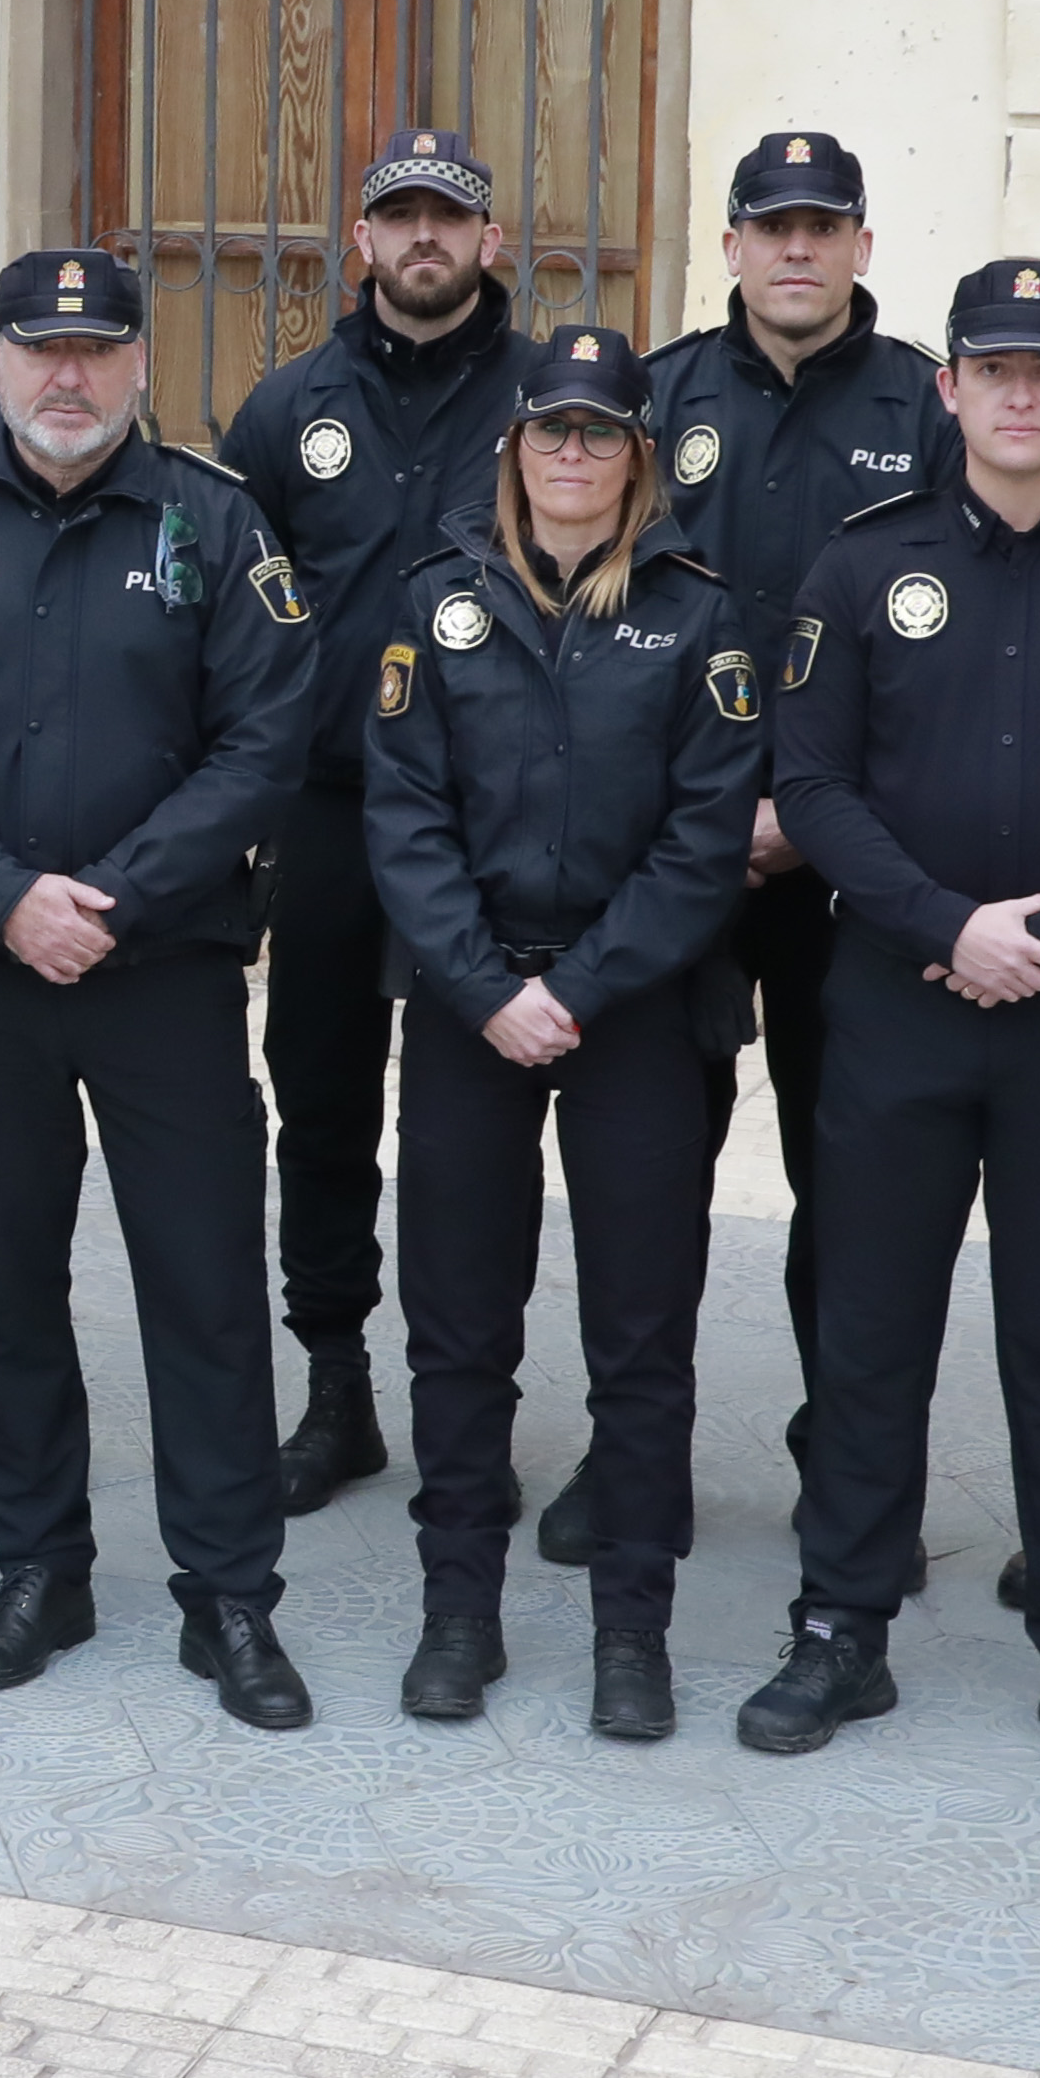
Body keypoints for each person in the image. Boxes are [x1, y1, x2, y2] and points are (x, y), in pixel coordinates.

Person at [738, 259, 1040, 1787]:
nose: (1020, 394)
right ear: (944, 388)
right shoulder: (857, 567)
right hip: (896, 998)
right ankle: (841, 1624)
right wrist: (950, 924)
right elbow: (810, 784)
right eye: (992, 367)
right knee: (870, 1324)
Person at [0, 249, 316, 1727]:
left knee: (208, 1285)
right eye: (39, 347)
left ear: (137, 361)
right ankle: (41, 1563)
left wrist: (108, 898)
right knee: (6, 1283)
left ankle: (229, 1595)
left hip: (158, 968)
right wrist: (1, 896)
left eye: (97, 346)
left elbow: (265, 738)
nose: (67, 373)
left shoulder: (216, 522)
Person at [360, 324, 759, 1742]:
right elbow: (402, 819)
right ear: (514, 447)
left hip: (635, 1010)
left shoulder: (696, 613)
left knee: (639, 1335)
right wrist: (486, 985)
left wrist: (578, 987)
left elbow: (705, 839)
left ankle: (630, 1624)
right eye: (551, 430)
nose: (573, 453)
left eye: (600, 432)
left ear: (638, 456)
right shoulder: (437, 601)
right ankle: (456, 1606)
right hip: (475, 1008)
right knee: (458, 1327)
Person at [217, 126, 526, 1522]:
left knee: (476, 1130)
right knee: (325, 1107)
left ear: (489, 240)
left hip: (500, 827)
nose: (421, 240)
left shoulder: (555, 404)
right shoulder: (288, 407)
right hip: (331, 815)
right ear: (360, 241)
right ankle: (334, 1383)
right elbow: (227, 618)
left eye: (445, 219)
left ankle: (476, 1406)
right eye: (396, 217)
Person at [643, 133, 952, 1401]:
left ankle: (844, 1451)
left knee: (855, 1175)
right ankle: (634, 1450)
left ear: (860, 248)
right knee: (650, 1171)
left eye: (821, 228)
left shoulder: (929, 407)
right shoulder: (655, 399)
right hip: (676, 854)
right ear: (729, 248)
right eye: (771, 227)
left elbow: (960, 653)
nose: (795, 249)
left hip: (856, 868)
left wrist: (813, 818)